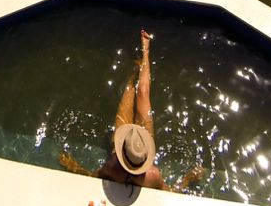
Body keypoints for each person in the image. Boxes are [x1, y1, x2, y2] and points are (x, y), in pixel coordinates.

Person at [59, 29, 203, 193]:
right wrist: (188, 179)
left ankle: (137, 68)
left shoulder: (112, 168)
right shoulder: (152, 177)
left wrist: (72, 166)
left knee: (130, 89)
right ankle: (145, 53)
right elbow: (171, 192)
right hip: (140, 143)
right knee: (143, 92)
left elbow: (92, 176)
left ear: (121, 152)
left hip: (132, 142)